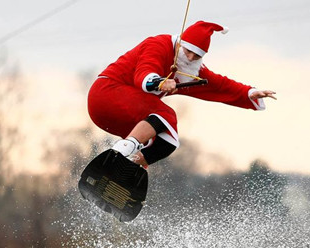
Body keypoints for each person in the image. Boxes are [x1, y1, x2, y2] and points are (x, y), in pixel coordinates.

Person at [87, 20, 276, 168]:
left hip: (120, 115)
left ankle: (129, 166)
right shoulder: (159, 44)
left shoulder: (191, 69)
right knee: (166, 116)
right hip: (106, 95)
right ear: (180, 43)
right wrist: (160, 82)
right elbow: (144, 74)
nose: (191, 57)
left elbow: (219, 85)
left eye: (197, 55)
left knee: (166, 141)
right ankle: (122, 150)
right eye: (188, 51)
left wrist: (249, 92)